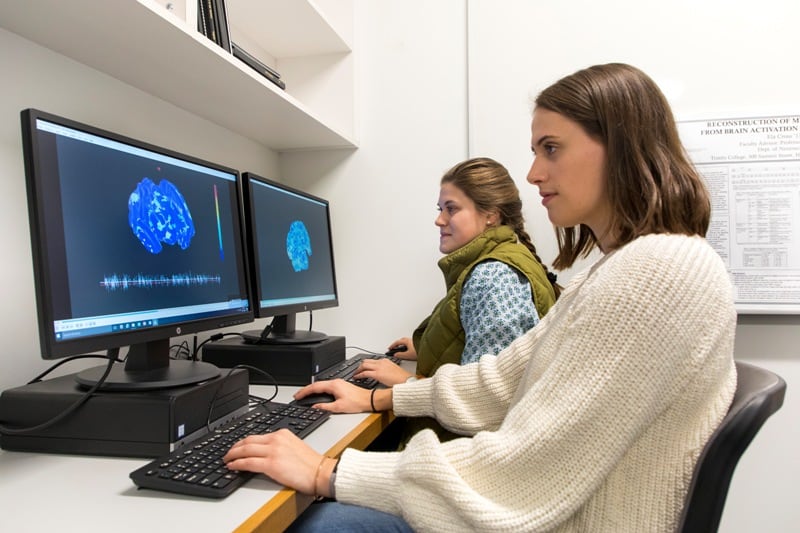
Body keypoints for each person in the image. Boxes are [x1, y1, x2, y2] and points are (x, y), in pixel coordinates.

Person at [223, 63, 737, 532]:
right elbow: (501, 380)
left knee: (303, 523)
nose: (534, 173)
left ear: (619, 147)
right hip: (556, 511)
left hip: (553, 519)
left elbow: (526, 467)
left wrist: (328, 470)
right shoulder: (630, 269)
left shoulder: (656, 274)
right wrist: (386, 397)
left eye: (550, 148)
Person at [354, 157, 559, 392]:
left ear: (491, 215)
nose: (439, 220)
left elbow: (485, 395)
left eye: (451, 209)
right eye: (441, 209)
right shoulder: (504, 258)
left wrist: (404, 382)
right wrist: (426, 347)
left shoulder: (494, 276)